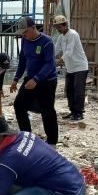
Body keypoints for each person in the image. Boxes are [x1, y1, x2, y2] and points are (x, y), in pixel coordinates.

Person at [10, 17, 59, 145]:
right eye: (22, 33)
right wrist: (16, 78)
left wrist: (36, 79)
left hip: (47, 80)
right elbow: (22, 61)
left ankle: (52, 141)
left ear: (33, 28)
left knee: (47, 110)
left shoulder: (47, 42)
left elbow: (50, 64)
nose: (24, 35)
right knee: (19, 105)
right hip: (31, 77)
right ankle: (27, 136)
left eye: (25, 32)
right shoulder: (24, 40)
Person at [52, 14, 89, 121]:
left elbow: (69, 52)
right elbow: (56, 49)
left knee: (78, 90)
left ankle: (79, 113)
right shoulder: (61, 37)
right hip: (70, 68)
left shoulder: (72, 34)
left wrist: (58, 61)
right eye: (57, 27)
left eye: (59, 27)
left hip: (80, 67)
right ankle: (73, 111)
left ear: (65, 25)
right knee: (69, 90)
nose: (58, 29)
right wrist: (48, 58)